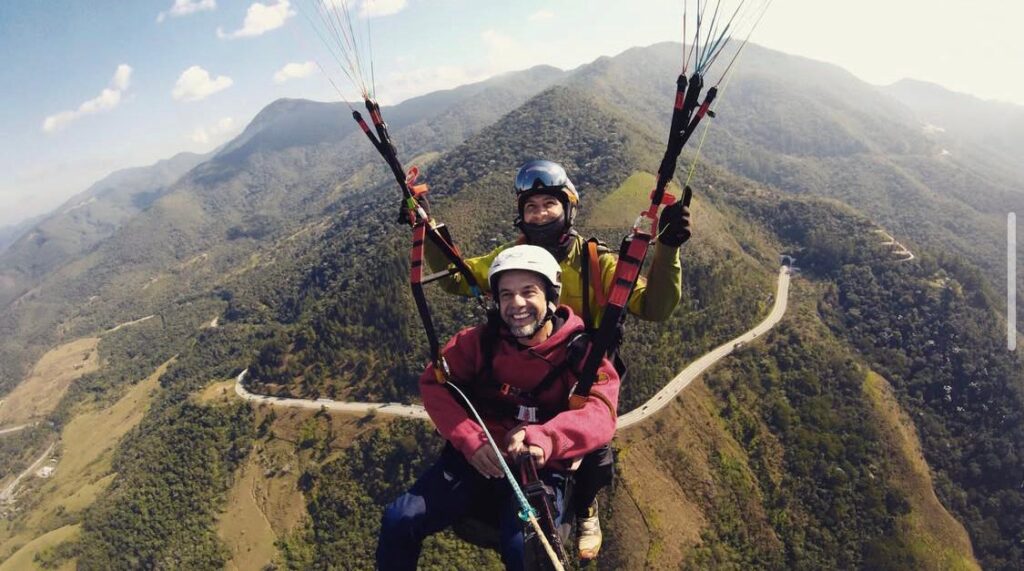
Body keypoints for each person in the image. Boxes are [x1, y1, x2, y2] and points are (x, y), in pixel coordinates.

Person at [424, 159, 691, 559]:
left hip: (579, 376)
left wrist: (667, 249)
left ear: (568, 208)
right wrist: (427, 231)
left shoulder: (595, 261)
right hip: (521, 373)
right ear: (521, 215)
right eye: (531, 207)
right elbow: (457, 277)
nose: (540, 214)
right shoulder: (511, 260)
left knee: (593, 455)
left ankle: (584, 506)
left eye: (549, 204)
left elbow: (653, 306)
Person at [377, 245, 620, 571]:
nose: (516, 304)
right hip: (477, 456)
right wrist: (470, 438)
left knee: (527, 554)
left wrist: (547, 437)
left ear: (550, 297)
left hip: (538, 468)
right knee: (399, 520)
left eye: (527, 292)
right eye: (506, 295)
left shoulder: (580, 353)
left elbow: (601, 410)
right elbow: (435, 384)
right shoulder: (478, 342)